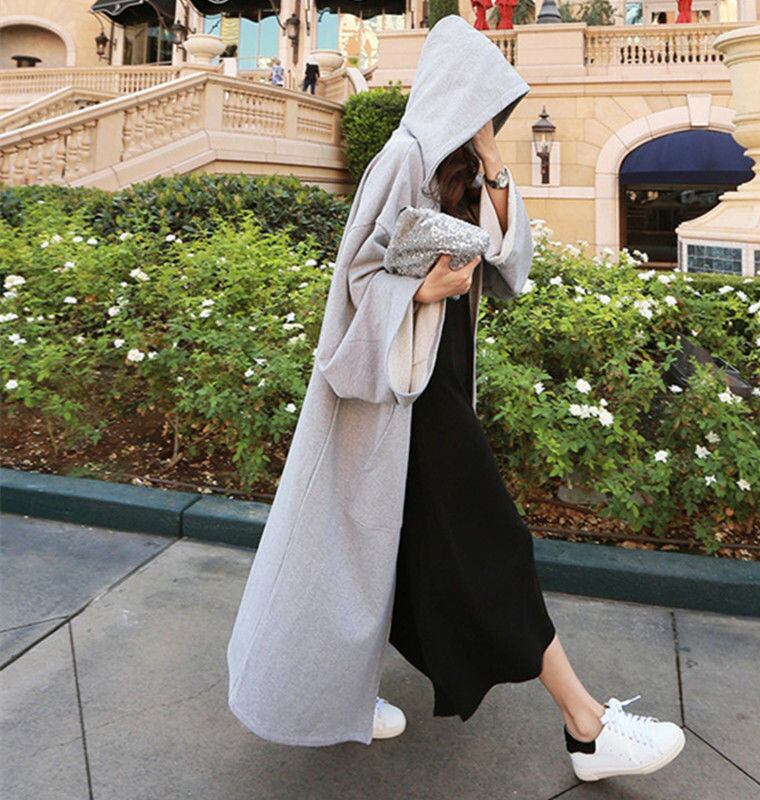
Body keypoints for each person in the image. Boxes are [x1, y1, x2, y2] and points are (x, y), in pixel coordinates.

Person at [226, 15, 685, 783]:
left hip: (437, 384)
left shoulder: (461, 166)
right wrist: (422, 289)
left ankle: (339, 690)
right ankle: (587, 725)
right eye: (484, 98)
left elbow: (510, 268)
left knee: (395, 549)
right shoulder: (402, 155)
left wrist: (495, 162)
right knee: (493, 539)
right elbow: (355, 276)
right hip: (401, 392)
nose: (491, 112)